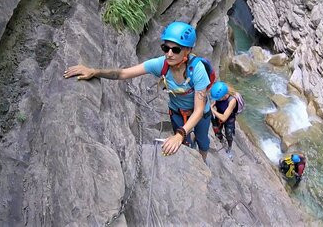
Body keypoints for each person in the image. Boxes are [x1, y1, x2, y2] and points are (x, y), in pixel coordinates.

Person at [63, 21, 212, 162]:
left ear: (188, 50)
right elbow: (123, 74)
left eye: (176, 49)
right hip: (177, 111)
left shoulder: (197, 71)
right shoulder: (161, 64)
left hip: (200, 113)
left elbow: (198, 110)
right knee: (183, 143)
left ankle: (203, 161)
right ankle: (189, 151)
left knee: (203, 141)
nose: (169, 54)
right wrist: (94, 71)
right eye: (166, 48)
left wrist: (179, 134)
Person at [209, 81, 238, 159]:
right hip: (219, 113)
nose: (217, 100)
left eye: (218, 98)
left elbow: (224, 117)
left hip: (229, 119)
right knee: (217, 129)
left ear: (224, 96)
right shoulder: (220, 96)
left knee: (229, 134)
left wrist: (212, 110)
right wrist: (214, 104)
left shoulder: (232, 101)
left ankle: (229, 147)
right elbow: (216, 101)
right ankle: (221, 138)